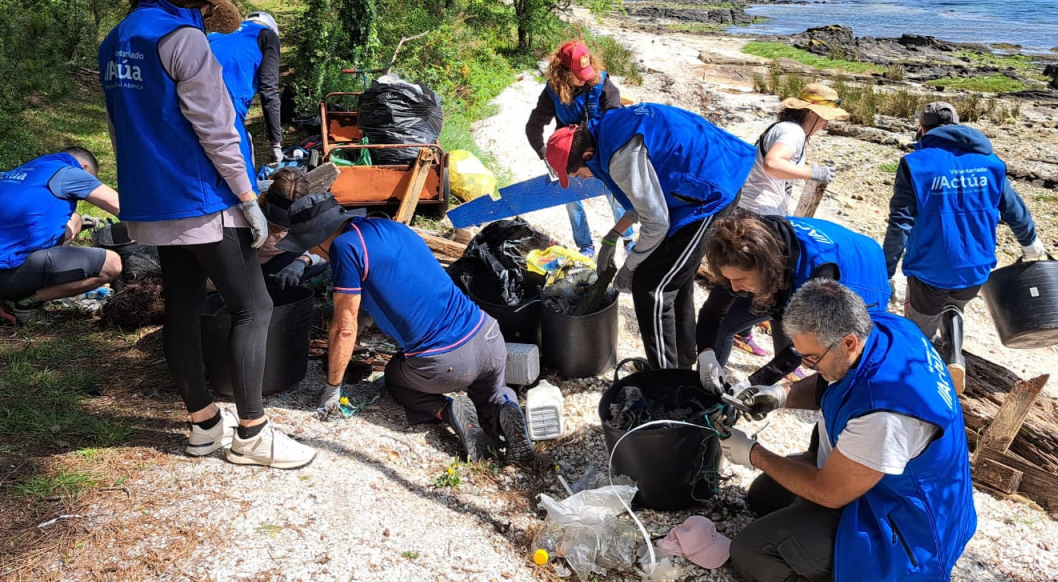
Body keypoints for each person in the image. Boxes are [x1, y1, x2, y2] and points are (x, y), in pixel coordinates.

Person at [99, 0, 315, 469]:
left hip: (152, 201)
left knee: (184, 308)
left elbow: (121, 126)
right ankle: (253, 435)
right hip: (203, 200)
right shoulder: (184, 39)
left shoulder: (116, 41)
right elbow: (217, 129)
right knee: (253, 307)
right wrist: (247, 198)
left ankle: (202, 425)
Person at [720, 279, 976, 582]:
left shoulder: (885, 414)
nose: (809, 366)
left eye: (812, 358)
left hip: (907, 530)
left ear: (849, 342)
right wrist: (781, 394)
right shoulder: (882, 328)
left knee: (752, 553)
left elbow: (830, 493)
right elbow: (835, 374)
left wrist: (753, 454)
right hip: (878, 482)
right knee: (763, 496)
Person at [274, 193, 534, 465]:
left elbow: (344, 329)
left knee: (396, 379)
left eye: (309, 246)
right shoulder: (391, 227)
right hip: (488, 336)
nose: (312, 253)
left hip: (447, 361)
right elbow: (401, 281)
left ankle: (447, 410)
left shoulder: (343, 247)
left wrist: (331, 390)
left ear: (319, 237)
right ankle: (508, 407)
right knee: (492, 392)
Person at [544, 102, 757, 370]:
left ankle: (664, 380)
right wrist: (614, 235)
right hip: (707, 175)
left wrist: (630, 267)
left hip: (711, 191)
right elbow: (644, 198)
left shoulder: (620, 157)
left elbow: (656, 222)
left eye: (577, 174)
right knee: (675, 278)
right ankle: (680, 364)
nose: (582, 179)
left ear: (587, 154)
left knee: (653, 288)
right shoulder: (605, 129)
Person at [883, 101, 1045, 394]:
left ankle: (921, 385)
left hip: (929, 269)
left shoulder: (916, 164)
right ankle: (954, 355)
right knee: (954, 303)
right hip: (977, 269)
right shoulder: (991, 162)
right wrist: (1031, 245)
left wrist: (887, 271)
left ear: (923, 129)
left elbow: (900, 222)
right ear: (957, 125)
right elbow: (1015, 210)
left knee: (919, 328)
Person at [695, 213, 890, 394]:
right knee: (727, 323)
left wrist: (751, 384)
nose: (734, 288)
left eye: (740, 280)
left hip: (860, 274)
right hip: (785, 275)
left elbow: (799, 349)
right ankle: (709, 394)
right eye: (729, 279)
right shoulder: (740, 249)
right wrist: (706, 354)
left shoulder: (818, 274)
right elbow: (713, 312)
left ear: (766, 270)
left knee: (826, 359)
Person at [0, 147, 122, 326]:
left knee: (75, 219)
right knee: (111, 264)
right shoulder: (71, 173)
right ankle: (21, 305)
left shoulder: (28, 170)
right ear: (83, 167)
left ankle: (27, 286)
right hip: (2, 272)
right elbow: (124, 208)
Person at [524, 40, 630, 257]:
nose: (585, 76)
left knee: (615, 194)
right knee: (571, 199)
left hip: (601, 150)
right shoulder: (552, 91)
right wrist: (544, 153)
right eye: (578, 73)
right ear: (563, 72)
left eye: (586, 70)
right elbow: (534, 125)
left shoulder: (601, 84)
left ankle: (627, 238)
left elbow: (617, 118)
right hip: (569, 153)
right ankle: (585, 245)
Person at [739, 83, 847, 216]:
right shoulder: (793, 132)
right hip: (758, 213)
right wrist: (811, 173)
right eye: (826, 118)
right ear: (813, 112)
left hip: (748, 207)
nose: (825, 125)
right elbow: (772, 163)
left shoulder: (785, 127)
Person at [208, 11, 285, 165]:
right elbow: (269, 90)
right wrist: (275, 143)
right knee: (242, 166)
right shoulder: (267, 36)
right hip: (227, 107)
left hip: (188, 102)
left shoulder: (215, 35)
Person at [256, 168, 329, 297]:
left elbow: (327, 244)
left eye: (286, 227)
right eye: (275, 224)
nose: (280, 231)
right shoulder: (247, 205)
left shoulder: (310, 211)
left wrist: (302, 261)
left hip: (283, 259)